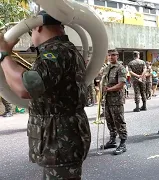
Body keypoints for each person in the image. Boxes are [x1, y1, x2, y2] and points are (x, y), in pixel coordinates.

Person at [0, 11, 91, 179]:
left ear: (38, 27)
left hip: (60, 142)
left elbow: (24, 88)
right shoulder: (63, 50)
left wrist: (3, 54)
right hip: (60, 141)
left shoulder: (56, 52)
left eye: (31, 31)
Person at [101, 49, 128, 155]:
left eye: (113, 55)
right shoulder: (106, 68)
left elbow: (121, 84)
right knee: (109, 120)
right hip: (107, 99)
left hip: (116, 99)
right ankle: (112, 140)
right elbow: (103, 81)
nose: (111, 57)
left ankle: (123, 143)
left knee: (119, 121)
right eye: (109, 55)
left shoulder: (120, 68)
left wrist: (108, 89)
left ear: (117, 56)